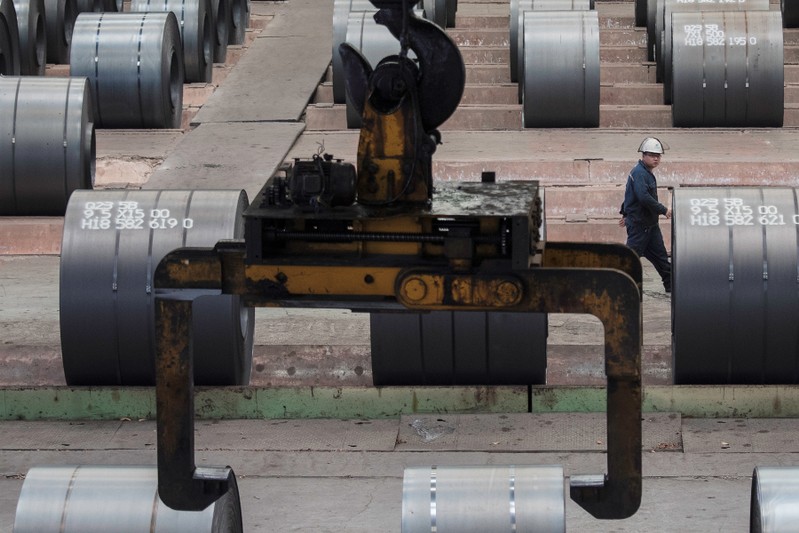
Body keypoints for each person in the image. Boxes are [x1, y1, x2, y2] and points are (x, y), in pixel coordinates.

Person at [618, 137, 672, 293]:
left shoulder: (645, 172)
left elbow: (630, 195)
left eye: (658, 155)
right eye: (652, 155)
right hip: (639, 226)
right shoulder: (640, 173)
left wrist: (625, 212)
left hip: (650, 226)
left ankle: (671, 286)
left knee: (661, 259)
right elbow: (642, 197)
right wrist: (663, 210)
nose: (656, 158)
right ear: (644, 155)